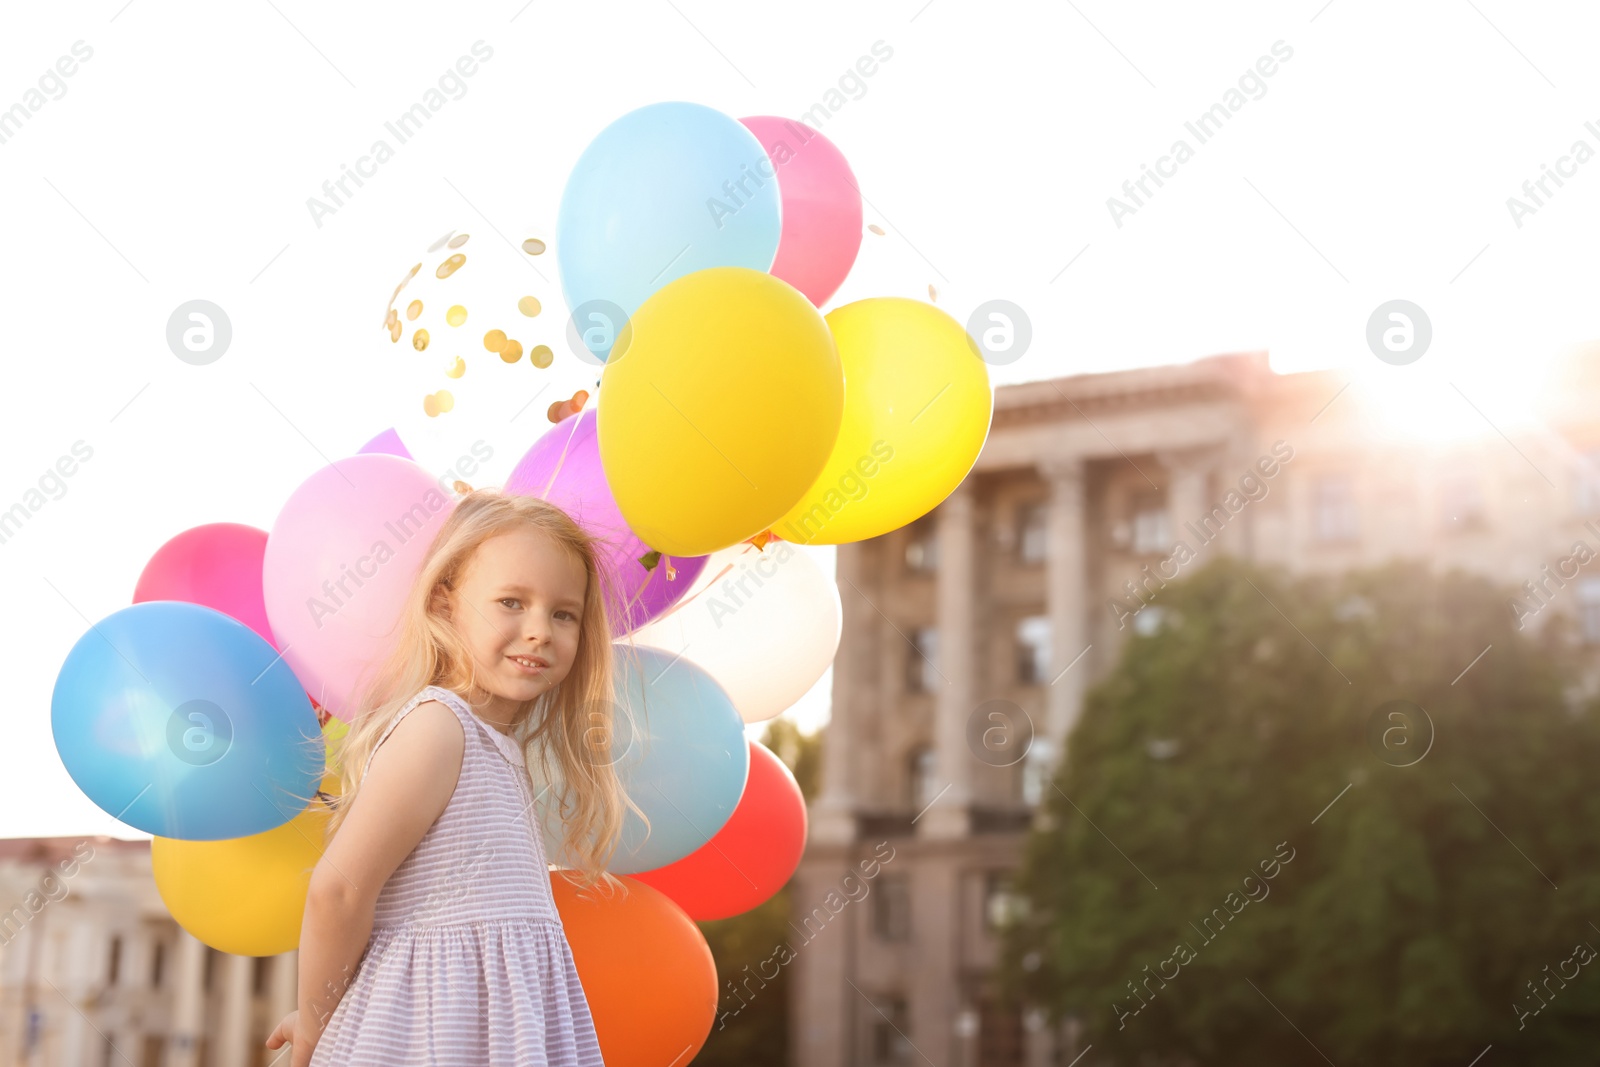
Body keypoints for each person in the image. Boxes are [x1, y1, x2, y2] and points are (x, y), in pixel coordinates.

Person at [265, 489, 644, 1066]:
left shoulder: (500, 749)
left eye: (563, 613)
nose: (540, 629)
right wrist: (317, 1019)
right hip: (423, 1039)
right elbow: (339, 890)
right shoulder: (440, 729)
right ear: (445, 606)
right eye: (512, 602)